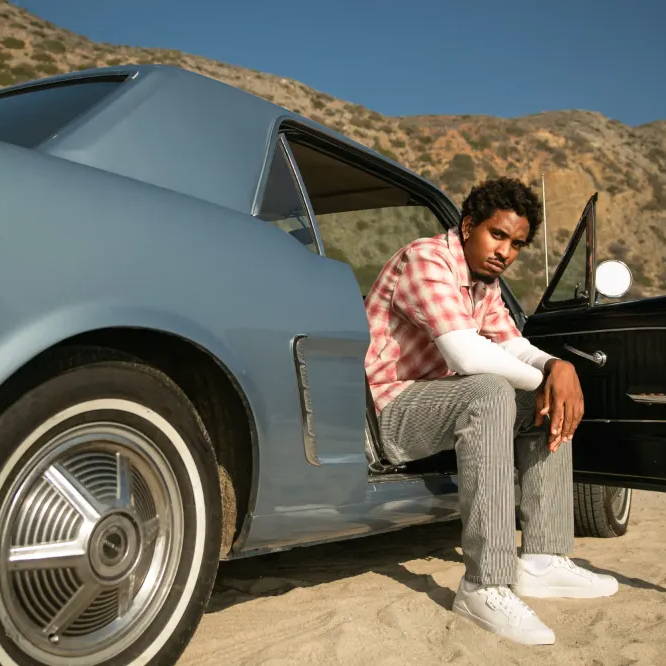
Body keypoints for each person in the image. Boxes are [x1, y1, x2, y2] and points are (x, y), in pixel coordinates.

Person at [364, 177, 618, 646]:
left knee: (534, 397)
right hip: (389, 410)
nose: (505, 251)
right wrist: (548, 380)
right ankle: (485, 583)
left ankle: (543, 558)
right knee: (491, 391)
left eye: (517, 244)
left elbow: (514, 346)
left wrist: (556, 366)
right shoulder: (427, 259)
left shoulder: (484, 285)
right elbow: (466, 355)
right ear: (467, 227)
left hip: (439, 401)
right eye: (496, 235)